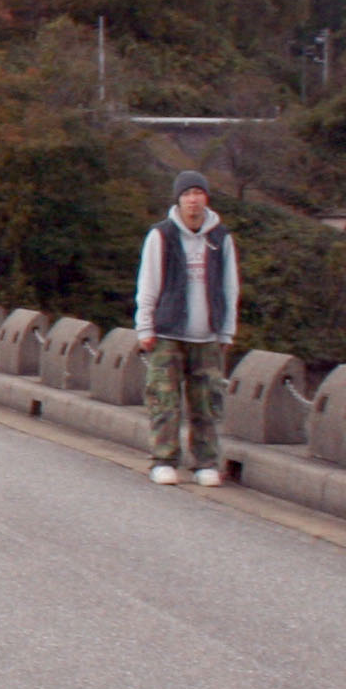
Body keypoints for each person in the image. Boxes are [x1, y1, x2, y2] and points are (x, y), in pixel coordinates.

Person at [134, 169, 240, 486]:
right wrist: (145, 327)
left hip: (207, 334)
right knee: (164, 400)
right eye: (187, 194)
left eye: (198, 193)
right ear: (178, 200)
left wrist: (226, 330)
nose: (193, 200)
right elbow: (148, 282)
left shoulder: (221, 238)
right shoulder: (162, 235)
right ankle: (164, 459)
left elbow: (230, 287)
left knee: (206, 402)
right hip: (167, 332)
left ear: (206, 198)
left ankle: (206, 462)